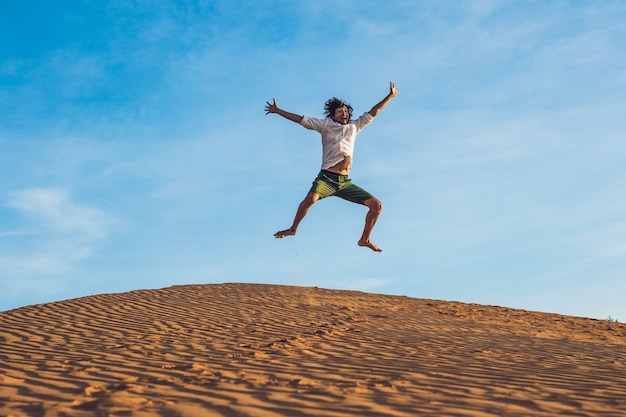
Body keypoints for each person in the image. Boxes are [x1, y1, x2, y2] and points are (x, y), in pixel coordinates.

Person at [265, 82, 399, 252]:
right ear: (333, 115)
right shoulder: (325, 125)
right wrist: (278, 111)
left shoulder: (354, 126)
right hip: (327, 179)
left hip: (344, 182)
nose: (344, 113)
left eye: (346, 111)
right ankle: (292, 229)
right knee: (310, 200)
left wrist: (390, 96)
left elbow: (375, 111)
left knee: (377, 206)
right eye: (340, 111)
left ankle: (364, 239)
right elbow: (300, 119)